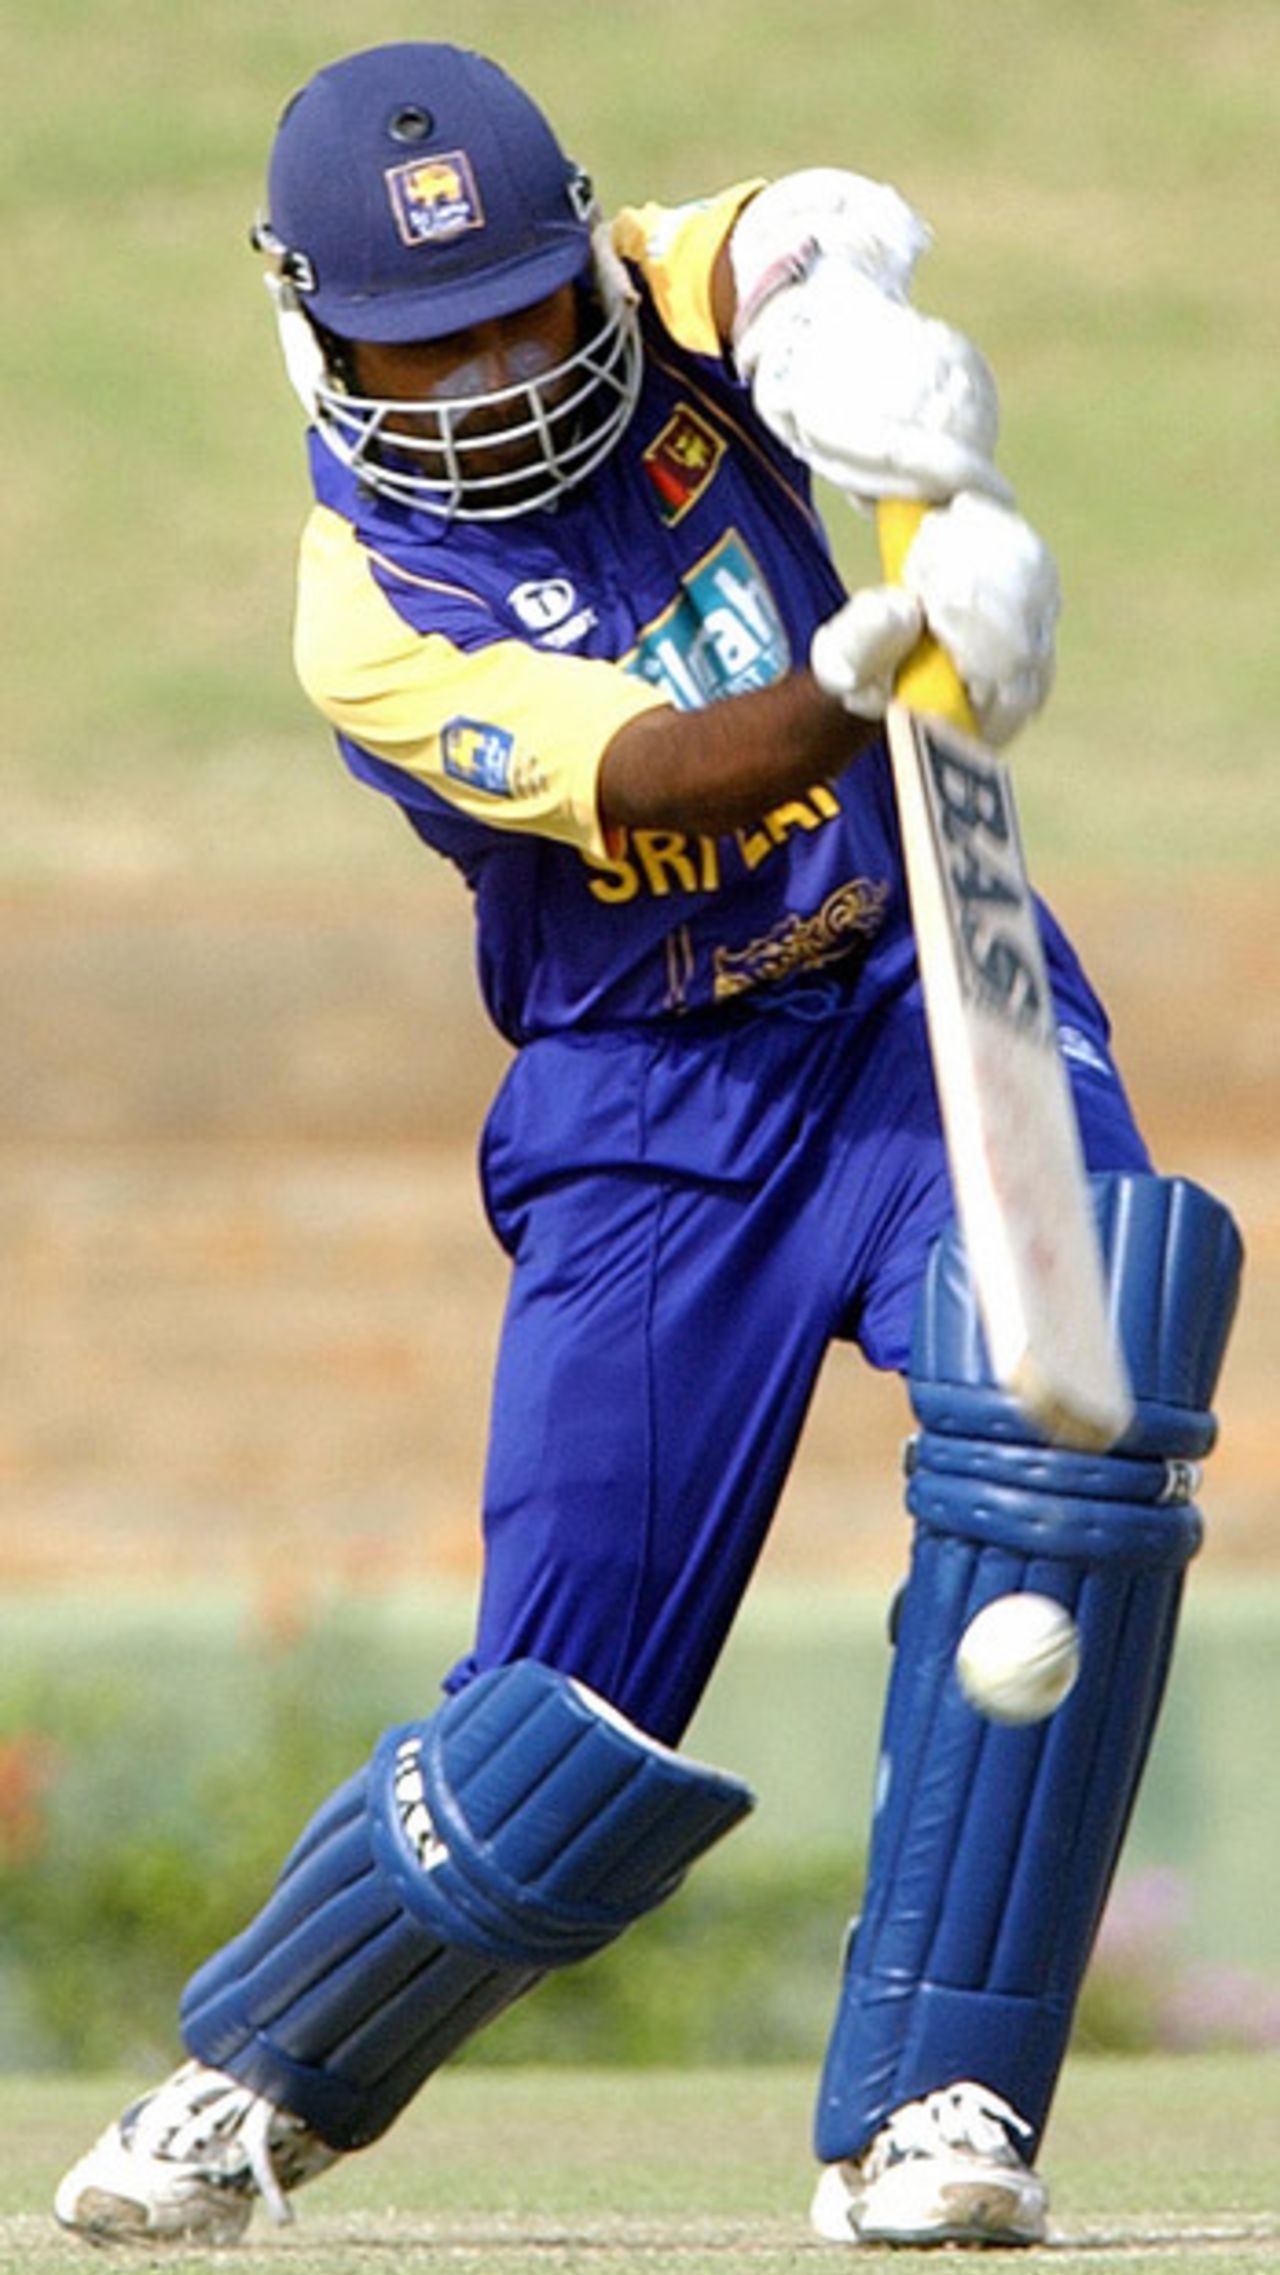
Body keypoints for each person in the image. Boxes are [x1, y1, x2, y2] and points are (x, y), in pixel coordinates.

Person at [56, 40, 1242, 2251]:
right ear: (319, 342)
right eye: (428, 344)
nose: (498, 370)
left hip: (911, 991)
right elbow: (685, 773)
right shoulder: (366, 610)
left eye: (519, 306)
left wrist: (843, 333)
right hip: (651, 1120)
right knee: (562, 1715)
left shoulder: (654, 291)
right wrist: (893, 654)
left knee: (1076, 1405)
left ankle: (940, 2114)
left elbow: (809, 209)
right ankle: (266, 2072)